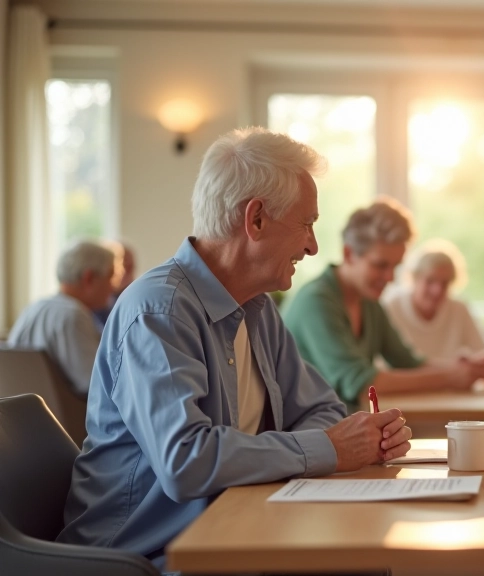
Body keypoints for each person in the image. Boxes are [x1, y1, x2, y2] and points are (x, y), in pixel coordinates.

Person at [57, 127, 412, 571]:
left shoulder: (258, 307)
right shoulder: (159, 311)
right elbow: (186, 461)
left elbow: (320, 407)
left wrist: (340, 441)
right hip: (144, 555)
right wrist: (327, 448)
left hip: (236, 526)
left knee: (364, 553)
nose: (312, 245)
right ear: (256, 219)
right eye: (306, 223)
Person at [284, 199, 484, 411]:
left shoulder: (369, 302)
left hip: (341, 425)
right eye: (381, 265)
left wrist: (465, 368)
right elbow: (363, 384)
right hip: (307, 435)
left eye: (395, 266)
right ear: (349, 254)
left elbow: (408, 361)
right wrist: (450, 377)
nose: (390, 278)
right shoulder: (316, 302)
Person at [6, 240, 115, 396]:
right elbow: (95, 384)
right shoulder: (73, 316)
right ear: (89, 278)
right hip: (65, 418)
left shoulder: (33, 308)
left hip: (22, 415)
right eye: (110, 277)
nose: (112, 286)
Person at [383, 239, 484, 362]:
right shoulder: (392, 307)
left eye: (444, 283)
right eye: (430, 281)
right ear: (415, 278)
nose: (437, 290)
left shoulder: (459, 309)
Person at [94, 239, 137, 326]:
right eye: (121, 266)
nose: (123, 272)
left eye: (129, 267)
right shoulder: (95, 302)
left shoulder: (138, 296)